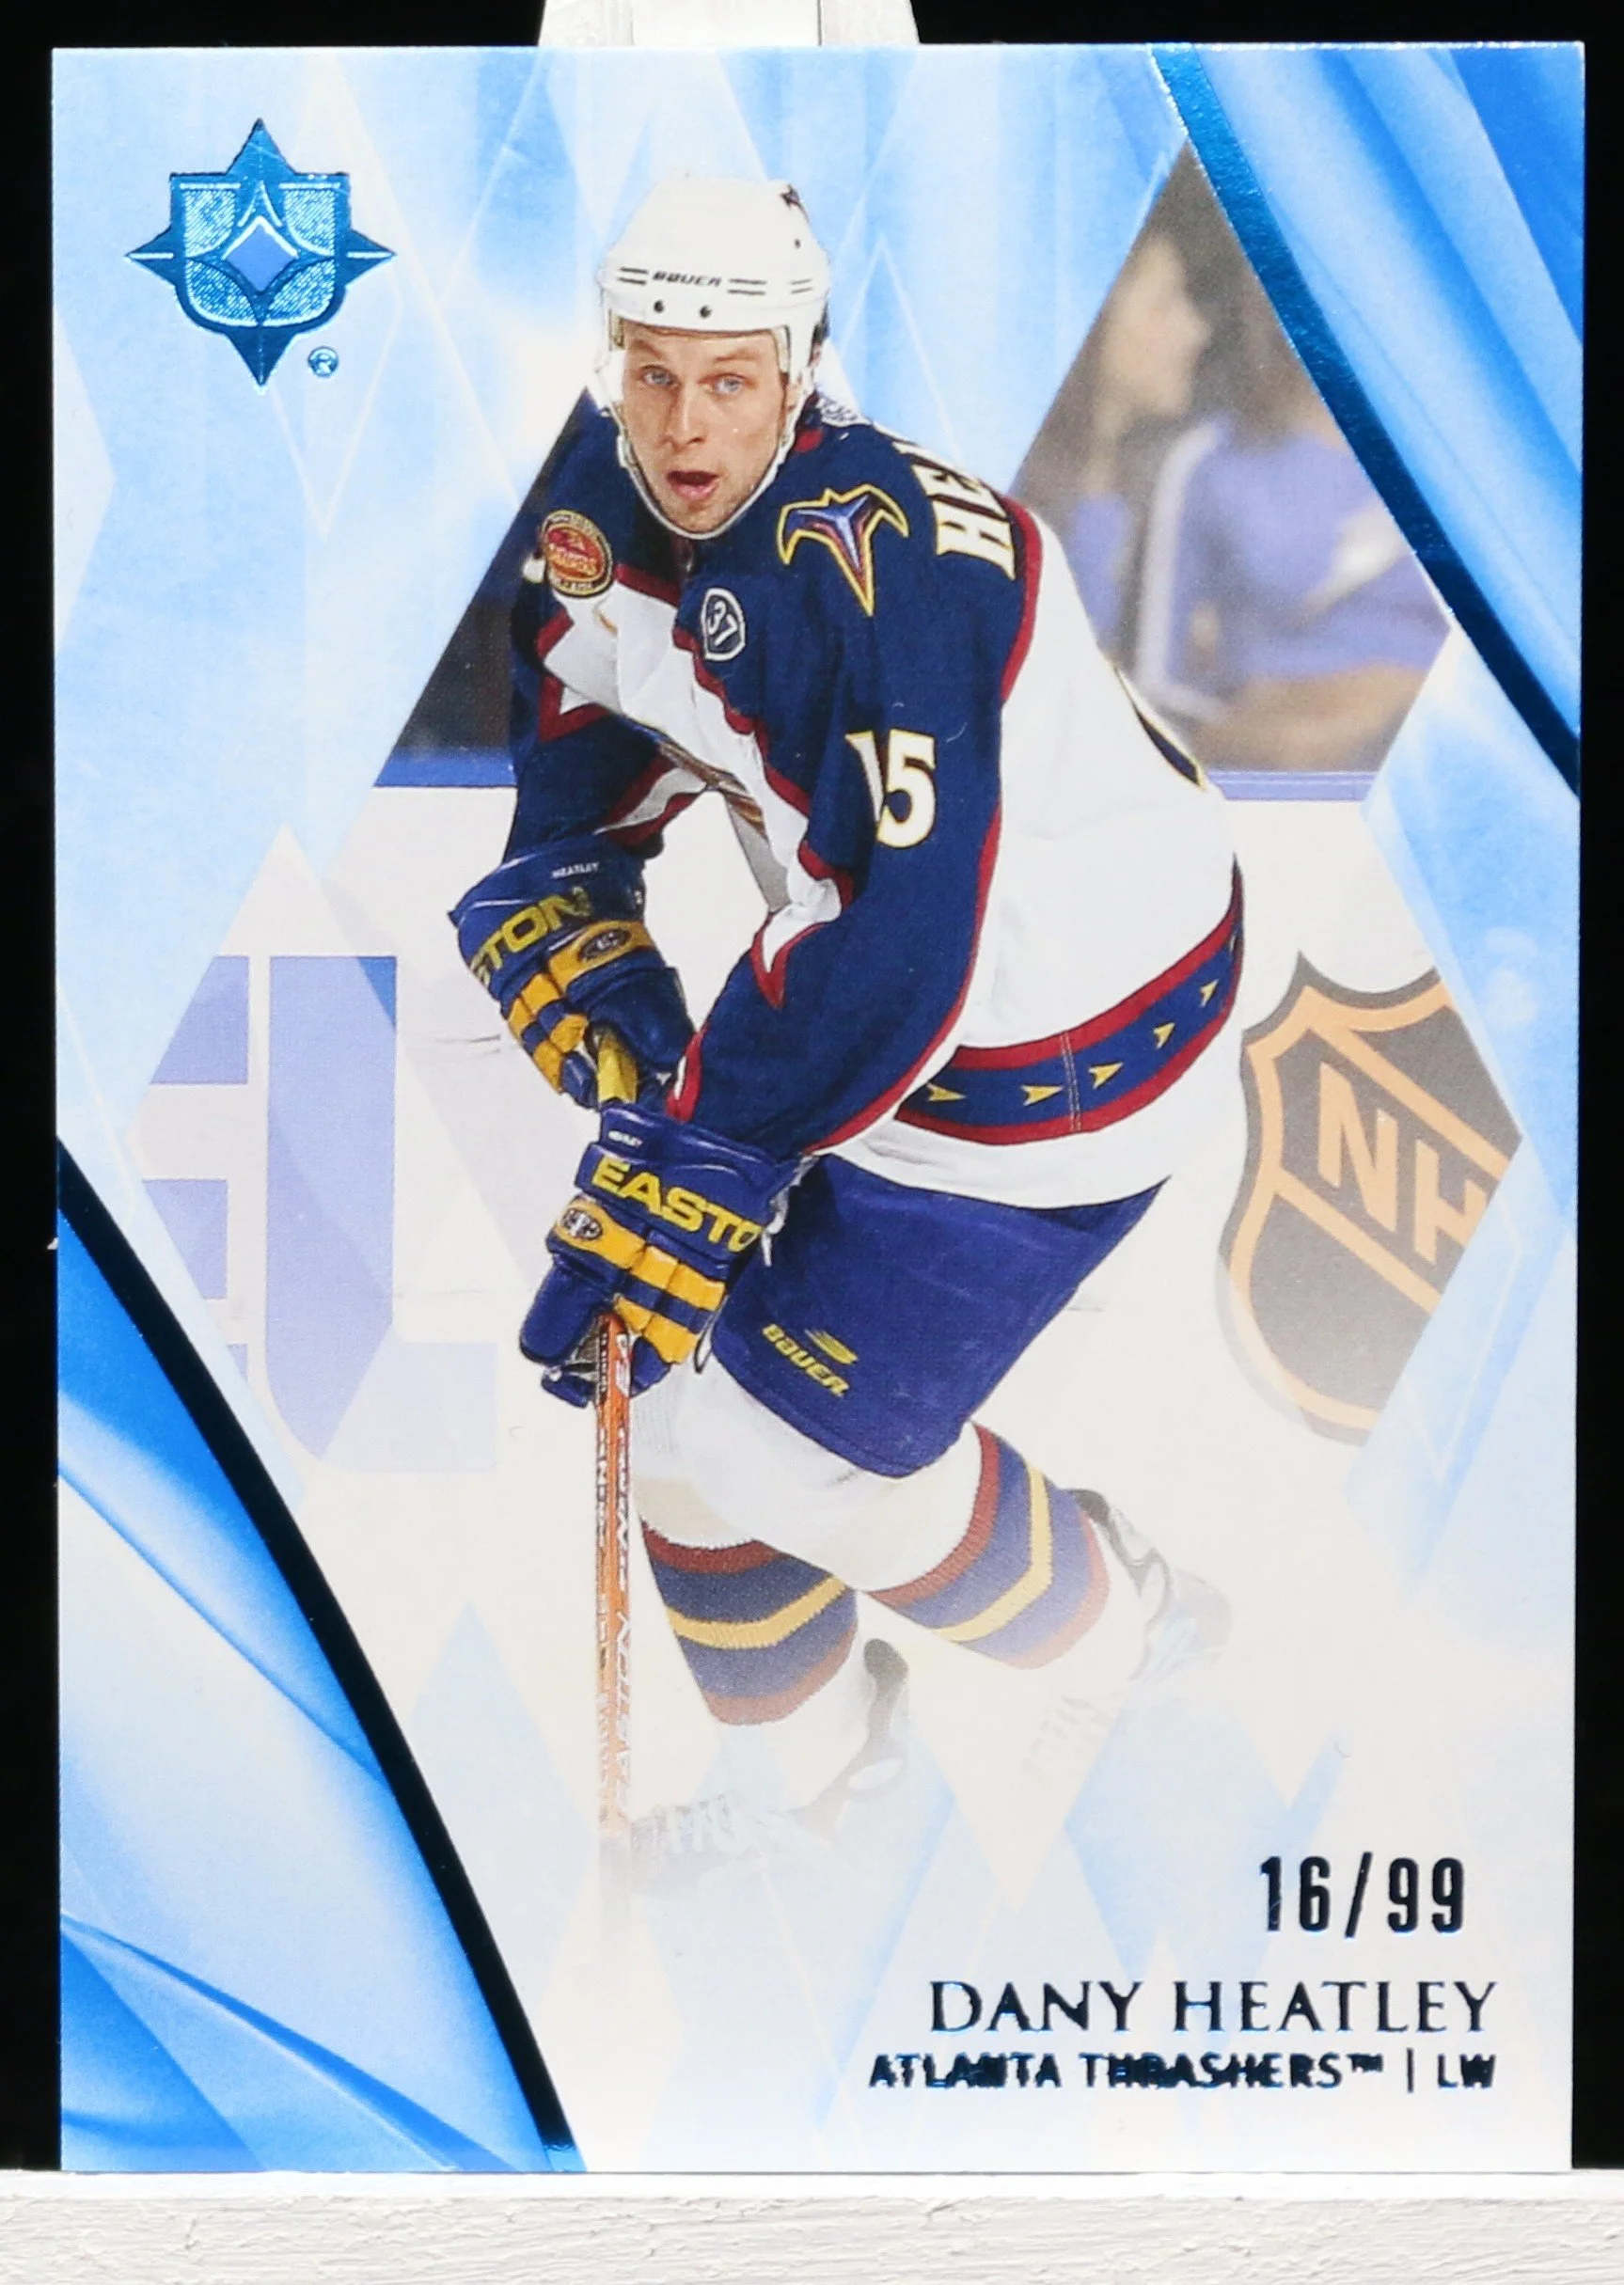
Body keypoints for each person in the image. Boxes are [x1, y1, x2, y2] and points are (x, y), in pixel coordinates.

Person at [450, 175, 1242, 1874]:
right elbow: (592, 740)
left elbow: (902, 938)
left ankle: (1138, 1637)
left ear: (801, 368)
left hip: (1063, 1041)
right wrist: (569, 888)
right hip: (895, 1010)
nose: (682, 424)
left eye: (727, 380)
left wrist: (708, 1149)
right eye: (652, 373)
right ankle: (830, 1808)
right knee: (673, 1428)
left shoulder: (880, 571)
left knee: (780, 1461)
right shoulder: (599, 501)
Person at [1128, 271, 1448, 770]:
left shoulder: (1463, 465)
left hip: (1437, 768)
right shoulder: (1210, 462)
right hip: (1270, 780)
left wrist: (1395, 704)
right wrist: (1258, 737)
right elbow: (1153, 687)